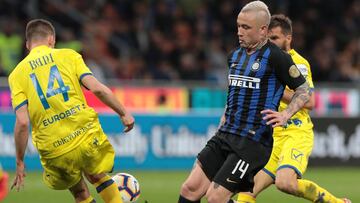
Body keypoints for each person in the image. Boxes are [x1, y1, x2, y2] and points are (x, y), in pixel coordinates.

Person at [178, 1, 311, 203]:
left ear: (263, 30)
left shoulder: (277, 58)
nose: (240, 32)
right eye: (239, 26)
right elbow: (234, 93)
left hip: (252, 141)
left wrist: (285, 114)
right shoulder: (235, 56)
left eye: (246, 27)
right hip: (225, 134)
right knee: (190, 189)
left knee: (215, 198)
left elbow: (303, 90)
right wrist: (224, 118)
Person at [9, 19, 135, 203]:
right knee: (98, 176)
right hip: (83, 133)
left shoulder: (16, 75)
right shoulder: (69, 56)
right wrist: (123, 112)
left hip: (54, 147)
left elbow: (22, 122)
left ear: (28, 44)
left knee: (80, 193)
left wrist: (20, 161)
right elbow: (97, 88)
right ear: (52, 39)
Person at [235, 14, 351, 203]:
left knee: (285, 183)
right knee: (246, 190)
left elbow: (310, 102)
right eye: (267, 39)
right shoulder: (265, 62)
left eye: (275, 38)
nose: (270, 42)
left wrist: (275, 89)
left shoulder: (298, 63)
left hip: (296, 133)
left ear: (288, 38)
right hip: (272, 138)